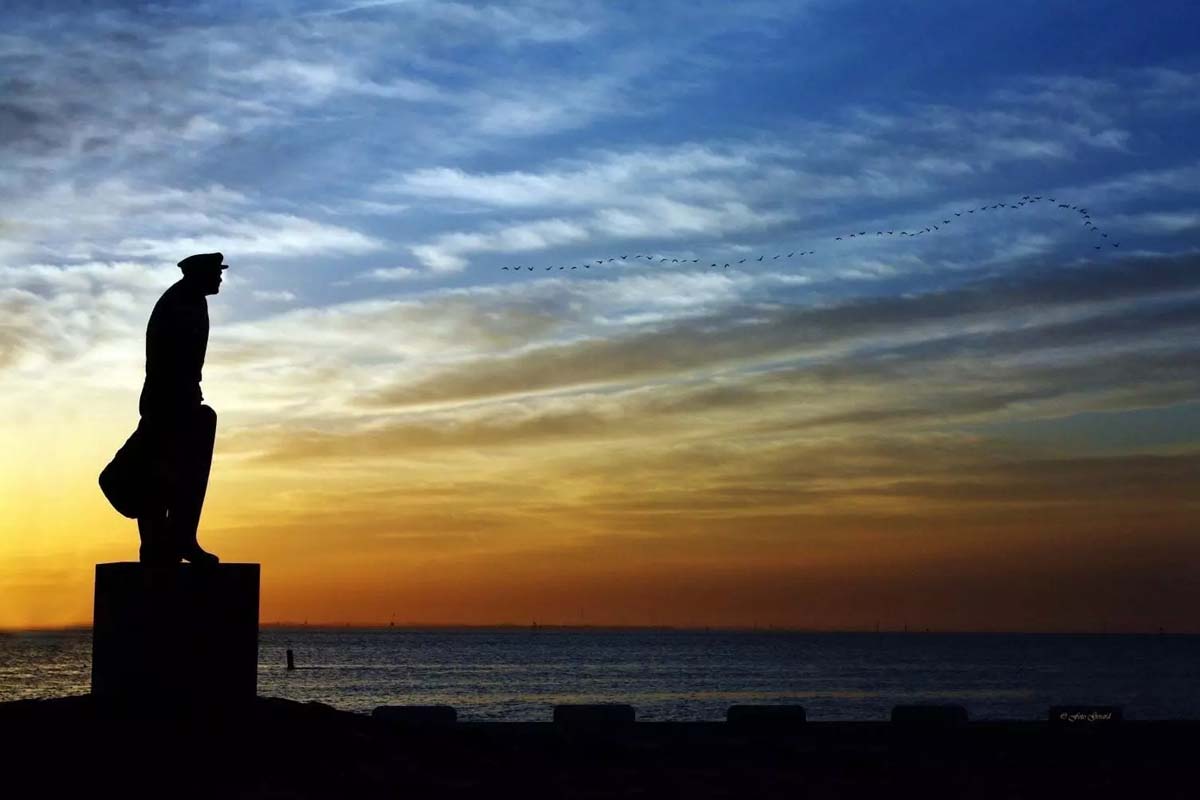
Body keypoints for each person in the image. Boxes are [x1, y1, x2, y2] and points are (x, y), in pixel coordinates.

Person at [135, 252, 227, 566]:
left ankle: (176, 539)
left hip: (178, 398)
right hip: (169, 401)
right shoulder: (180, 303)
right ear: (200, 274)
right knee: (157, 473)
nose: (220, 278)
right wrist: (183, 400)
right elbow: (170, 361)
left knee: (168, 470)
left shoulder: (191, 301)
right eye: (216, 273)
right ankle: (167, 542)